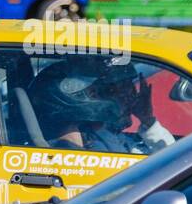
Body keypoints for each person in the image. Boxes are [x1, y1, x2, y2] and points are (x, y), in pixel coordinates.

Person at [31, 57, 174, 155]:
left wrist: (148, 120)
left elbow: (174, 162)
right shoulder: (84, 145)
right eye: (123, 89)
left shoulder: (113, 136)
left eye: (131, 87)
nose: (132, 97)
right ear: (93, 95)